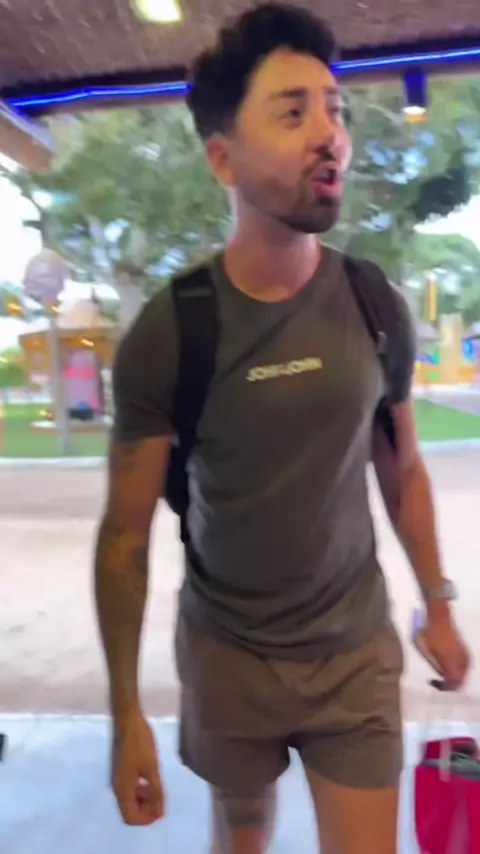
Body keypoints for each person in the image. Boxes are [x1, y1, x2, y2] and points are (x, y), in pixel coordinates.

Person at [94, 4, 470, 853]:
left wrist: (439, 604)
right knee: (242, 840)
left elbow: (402, 469)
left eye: (334, 109)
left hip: (354, 653)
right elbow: (123, 538)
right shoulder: (172, 330)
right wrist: (125, 716)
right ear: (222, 157)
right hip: (228, 656)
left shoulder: (373, 303)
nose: (330, 134)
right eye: (293, 112)